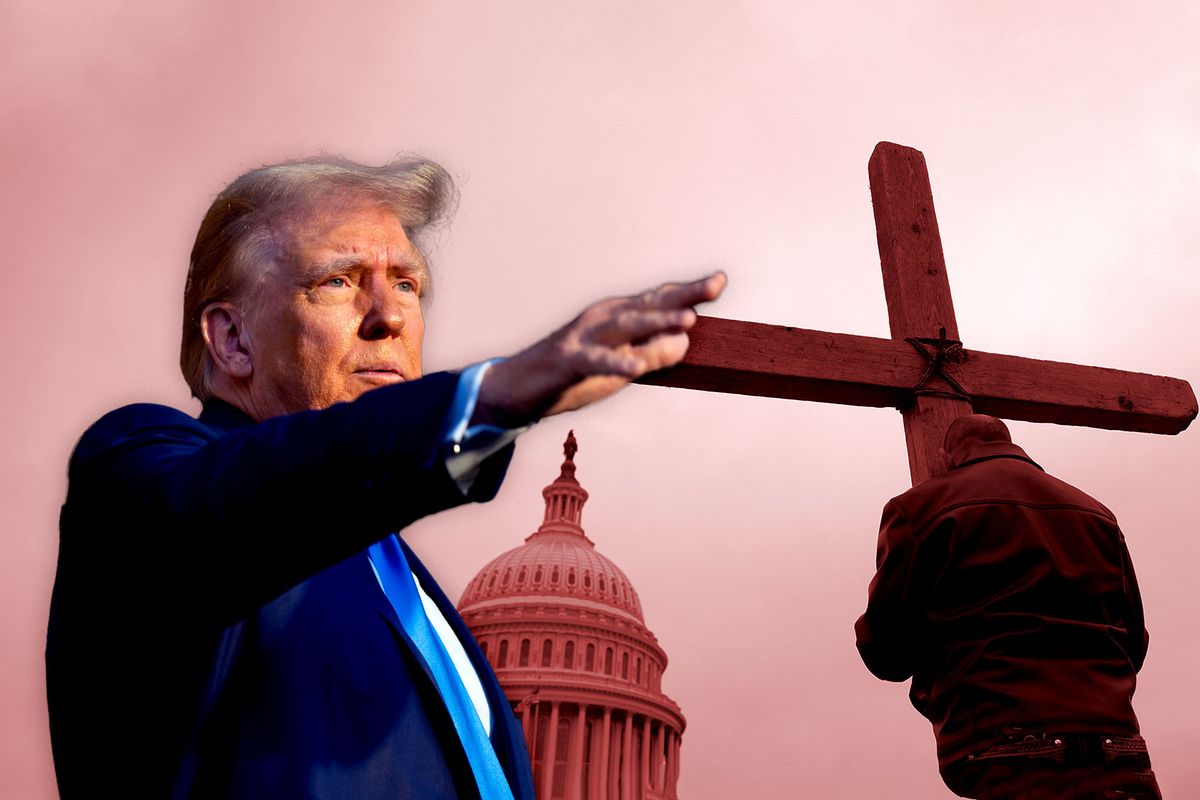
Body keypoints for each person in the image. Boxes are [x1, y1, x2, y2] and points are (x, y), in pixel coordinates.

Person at [46, 155, 726, 799]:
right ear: (232, 340)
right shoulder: (142, 477)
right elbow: (230, 505)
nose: (391, 316)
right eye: (337, 280)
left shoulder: (416, 600)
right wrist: (488, 397)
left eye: (407, 283)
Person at [854, 414, 1161, 800]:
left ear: (945, 455)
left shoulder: (919, 509)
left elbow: (886, 653)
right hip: (1119, 750)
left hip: (1010, 752)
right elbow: (1134, 641)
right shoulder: (1097, 513)